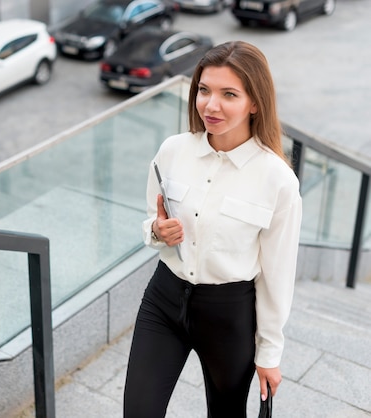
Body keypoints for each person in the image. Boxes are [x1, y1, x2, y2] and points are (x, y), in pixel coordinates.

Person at [123, 41, 303, 417]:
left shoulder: (278, 181)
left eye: (229, 94)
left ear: (255, 102)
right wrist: (158, 231)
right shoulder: (173, 151)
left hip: (229, 314)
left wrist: (269, 353)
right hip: (164, 299)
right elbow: (151, 223)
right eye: (204, 90)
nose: (211, 105)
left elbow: (278, 274)